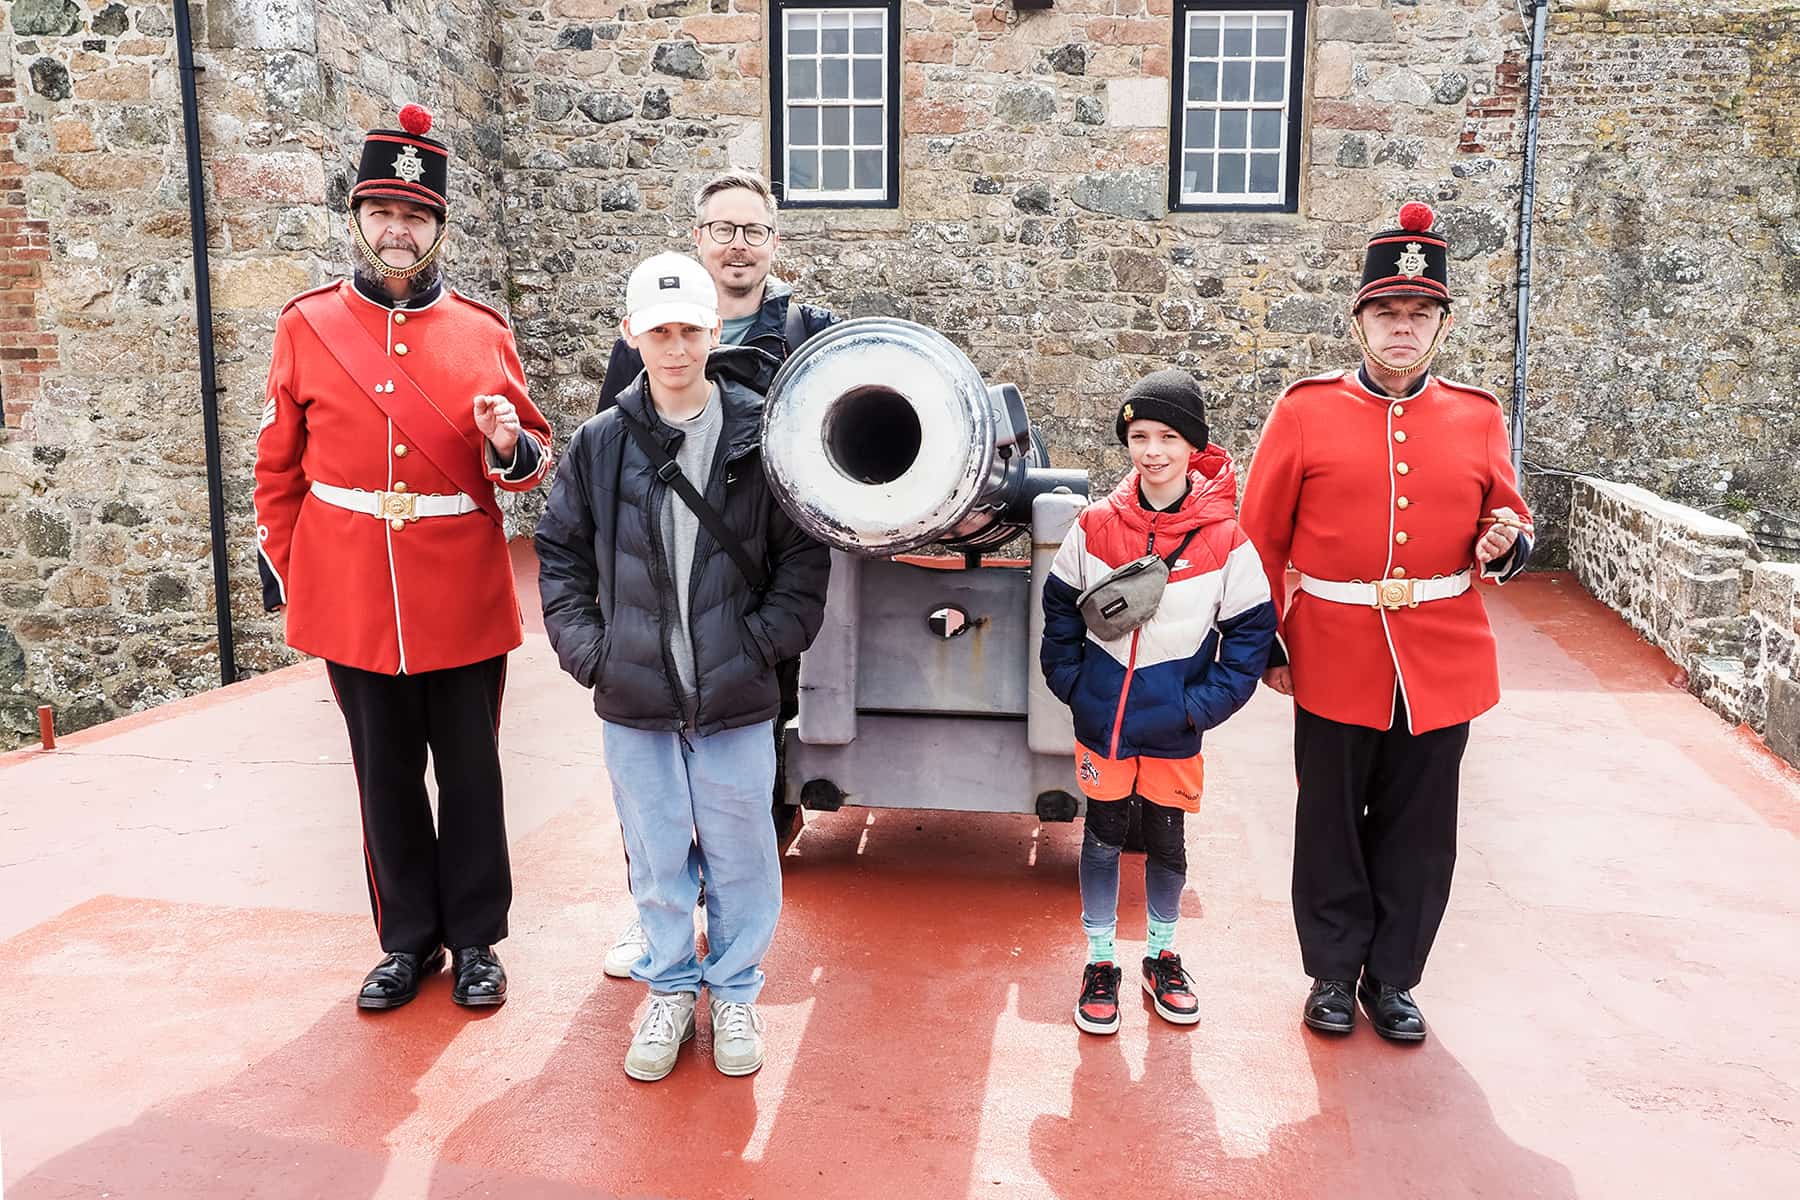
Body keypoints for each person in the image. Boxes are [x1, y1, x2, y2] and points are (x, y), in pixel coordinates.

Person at [252, 105, 553, 1011]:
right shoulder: (307, 326)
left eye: (416, 216)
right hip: (353, 590)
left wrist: (505, 444)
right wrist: (294, 574)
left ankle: (476, 940)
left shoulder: (482, 331)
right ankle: (407, 942)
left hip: (460, 587)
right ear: (357, 217)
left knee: (471, 774)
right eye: (383, 212)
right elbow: (277, 468)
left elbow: (531, 464)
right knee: (383, 775)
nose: (398, 229)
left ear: (438, 228)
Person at [1237, 201, 1534, 1043]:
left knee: (1421, 830)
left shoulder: (1477, 416)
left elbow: (1511, 524)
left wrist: (1506, 541)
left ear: (1441, 324)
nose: (1402, 328)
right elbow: (1259, 540)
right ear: (1358, 319)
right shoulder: (1304, 410)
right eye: (1386, 312)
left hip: (1443, 657)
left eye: (1419, 313)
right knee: (1328, 820)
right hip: (1332, 649)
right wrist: (1270, 643)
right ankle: (1334, 973)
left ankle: (1394, 979)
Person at [534, 251, 830, 1080]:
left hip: (734, 691)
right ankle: (670, 988)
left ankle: (734, 988)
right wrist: (589, 651)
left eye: (689, 330)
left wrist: (763, 644)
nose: (674, 347)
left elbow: (802, 556)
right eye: (658, 330)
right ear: (632, 334)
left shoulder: (760, 433)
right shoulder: (599, 444)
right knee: (658, 854)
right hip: (634, 693)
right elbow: (558, 553)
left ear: (713, 332)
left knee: (743, 853)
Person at [596, 168, 838, 979]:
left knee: (749, 775)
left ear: (775, 242)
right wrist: (602, 636)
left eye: (754, 230)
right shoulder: (647, 336)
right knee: (650, 784)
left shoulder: (807, 331)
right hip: (656, 601)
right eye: (723, 229)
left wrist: (772, 629)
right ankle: (658, 915)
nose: (739, 244)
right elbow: (608, 462)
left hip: (750, 600)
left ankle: (736, 931)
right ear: (697, 237)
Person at [1040, 370, 1277, 1035]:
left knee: (1167, 839)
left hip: (1176, 725)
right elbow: (1059, 611)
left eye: (1168, 437)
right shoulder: (1093, 526)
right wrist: (1073, 684)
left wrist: (1202, 705)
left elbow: (1252, 631)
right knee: (1104, 835)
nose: (1152, 451)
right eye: (1139, 435)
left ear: (1193, 447)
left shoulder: (1225, 539)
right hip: (1104, 722)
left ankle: (1163, 955)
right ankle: (1099, 961)